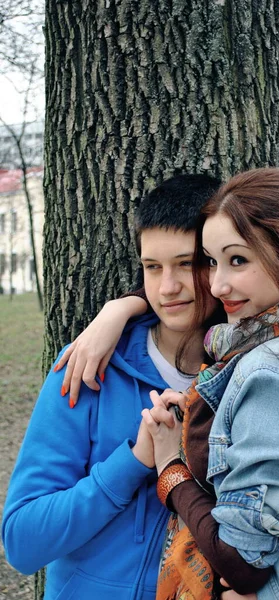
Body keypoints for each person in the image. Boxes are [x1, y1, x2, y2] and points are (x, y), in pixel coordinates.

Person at [55, 169, 279, 599]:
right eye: (212, 261)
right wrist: (119, 309)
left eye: (237, 260)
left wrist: (167, 469)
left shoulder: (270, 372)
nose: (217, 284)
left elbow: (243, 563)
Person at [3, 174, 251, 600]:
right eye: (152, 267)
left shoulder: (258, 378)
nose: (167, 288)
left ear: (217, 263)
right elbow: (23, 544)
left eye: (186, 264)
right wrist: (135, 460)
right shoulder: (88, 367)